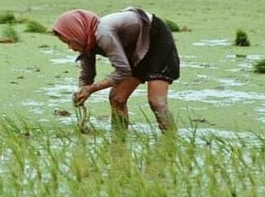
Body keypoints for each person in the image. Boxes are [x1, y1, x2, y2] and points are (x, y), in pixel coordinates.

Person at [51, 7, 179, 131]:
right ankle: (119, 141)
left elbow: (123, 71)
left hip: (156, 40)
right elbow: (87, 74)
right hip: (135, 51)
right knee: (117, 98)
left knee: (156, 101)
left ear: (77, 32)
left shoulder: (103, 34)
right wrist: (82, 91)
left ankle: (171, 139)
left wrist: (92, 89)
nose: (70, 47)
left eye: (69, 42)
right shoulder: (87, 40)